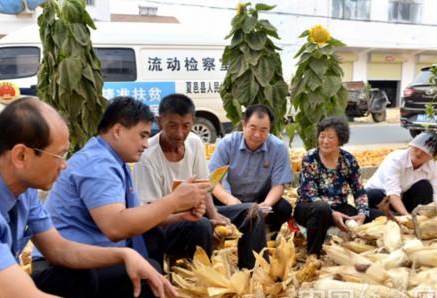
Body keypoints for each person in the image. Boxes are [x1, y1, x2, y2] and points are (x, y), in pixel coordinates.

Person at [0, 97, 178, 298]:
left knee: (87, 277)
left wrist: (124, 254)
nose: (65, 165)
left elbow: (58, 250)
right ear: (21, 156)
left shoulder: (22, 189)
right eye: (59, 155)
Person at [34, 96, 209, 267]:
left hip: (97, 252)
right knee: (147, 277)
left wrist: (180, 215)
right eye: (142, 136)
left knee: (191, 227)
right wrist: (174, 201)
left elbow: (134, 215)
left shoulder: (114, 161)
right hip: (69, 262)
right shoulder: (97, 164)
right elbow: (116, 228)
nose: (146, 144)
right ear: (117, 131)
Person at [132, 94, 268, 269]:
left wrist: (214, 215)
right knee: (202, 225)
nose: (179, 133)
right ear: (159, 122)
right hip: (164, 224)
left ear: (193, 122)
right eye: (172, 126)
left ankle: (254, 273)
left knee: (252, 212)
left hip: (196, 213)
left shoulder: (194, 142)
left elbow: (204, 187)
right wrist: (199, 219)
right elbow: (149, 214)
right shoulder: (147, 156)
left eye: (186, 126)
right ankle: (200, 281)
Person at [293, 116, 381, 257]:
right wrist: (332, 213)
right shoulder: (311, 158)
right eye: (322, 136)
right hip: (310, 207)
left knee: (376, 216)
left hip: (339, 207)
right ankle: (313, 255)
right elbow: (309, 192)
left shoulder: (348, 160)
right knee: (321, 209)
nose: (325, 141)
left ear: (340, 140)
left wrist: (362, 213)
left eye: (330, 137)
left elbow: (359, 191)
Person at [208, 104, 294, 235]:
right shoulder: (228, 143)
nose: (257, 135)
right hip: (229, 200)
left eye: (263, 130)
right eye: (252, 128)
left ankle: (266, 233)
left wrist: (267, 204)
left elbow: (278, 184)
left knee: (284, 208)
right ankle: (222, 231)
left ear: (269, 129)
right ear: (244, 125)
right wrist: (229, 200)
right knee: (205, 206)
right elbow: (213, 181)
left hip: (259, 201)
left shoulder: (277, 147)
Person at [365, 131, 437, 217]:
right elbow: (392, 193)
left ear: (433, 156)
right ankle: (397, 215)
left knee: (424, 186)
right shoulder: (396, 159)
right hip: (383, 198)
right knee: (371, 194)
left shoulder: (433, 167)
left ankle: (417, 217)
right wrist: (406, 216)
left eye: (425, 151)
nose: (419, 153)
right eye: (417, 147)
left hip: (404, 199)